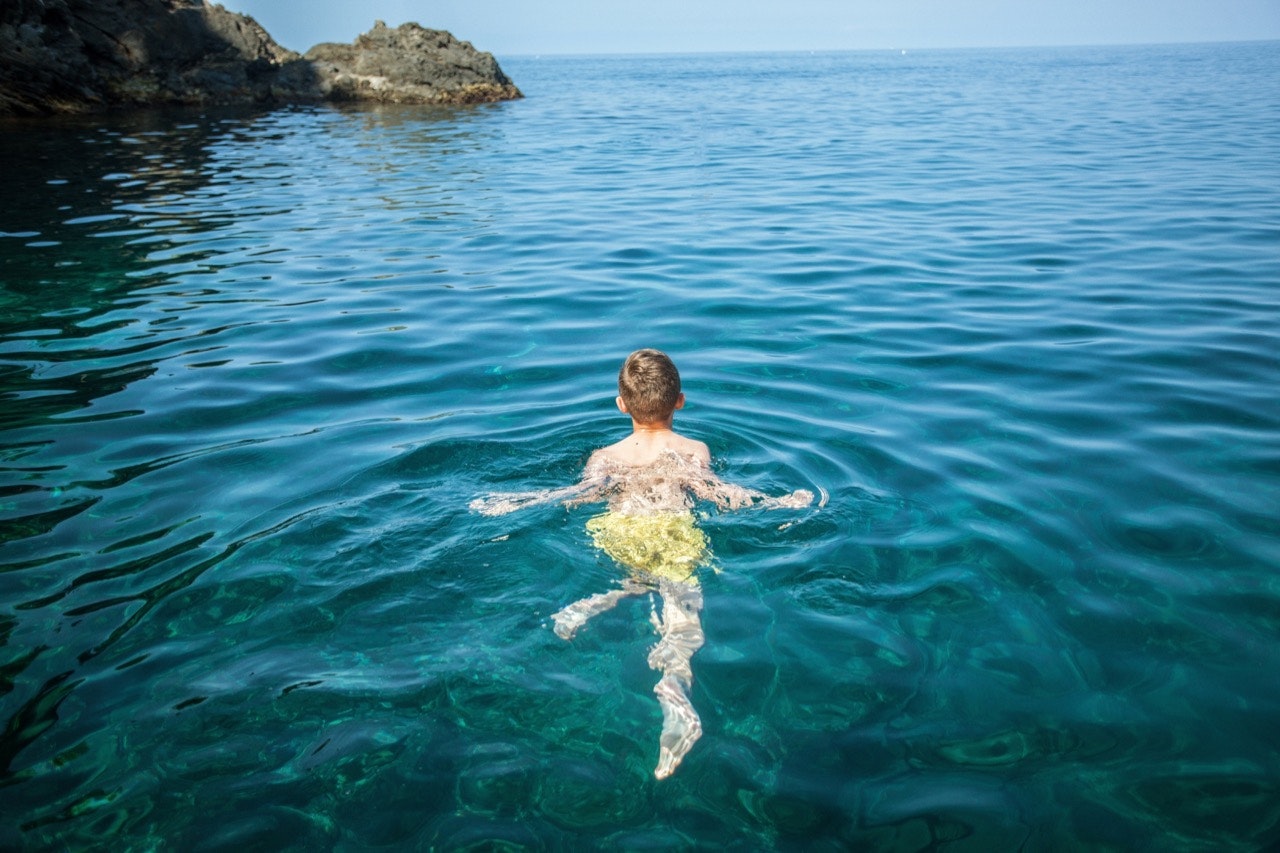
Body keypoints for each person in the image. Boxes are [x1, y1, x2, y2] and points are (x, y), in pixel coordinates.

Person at [470, 348, 813, 779]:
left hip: (621, 532)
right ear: (681, 400)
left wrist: (520, 501)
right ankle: (674, 681)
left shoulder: (604, 456)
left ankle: (597, 601)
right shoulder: (693, 449)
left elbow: (578, 497)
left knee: (635, 578)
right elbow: (716, 493)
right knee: (682, 615)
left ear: (621, 404)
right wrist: (777, 503)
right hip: (673, 534)